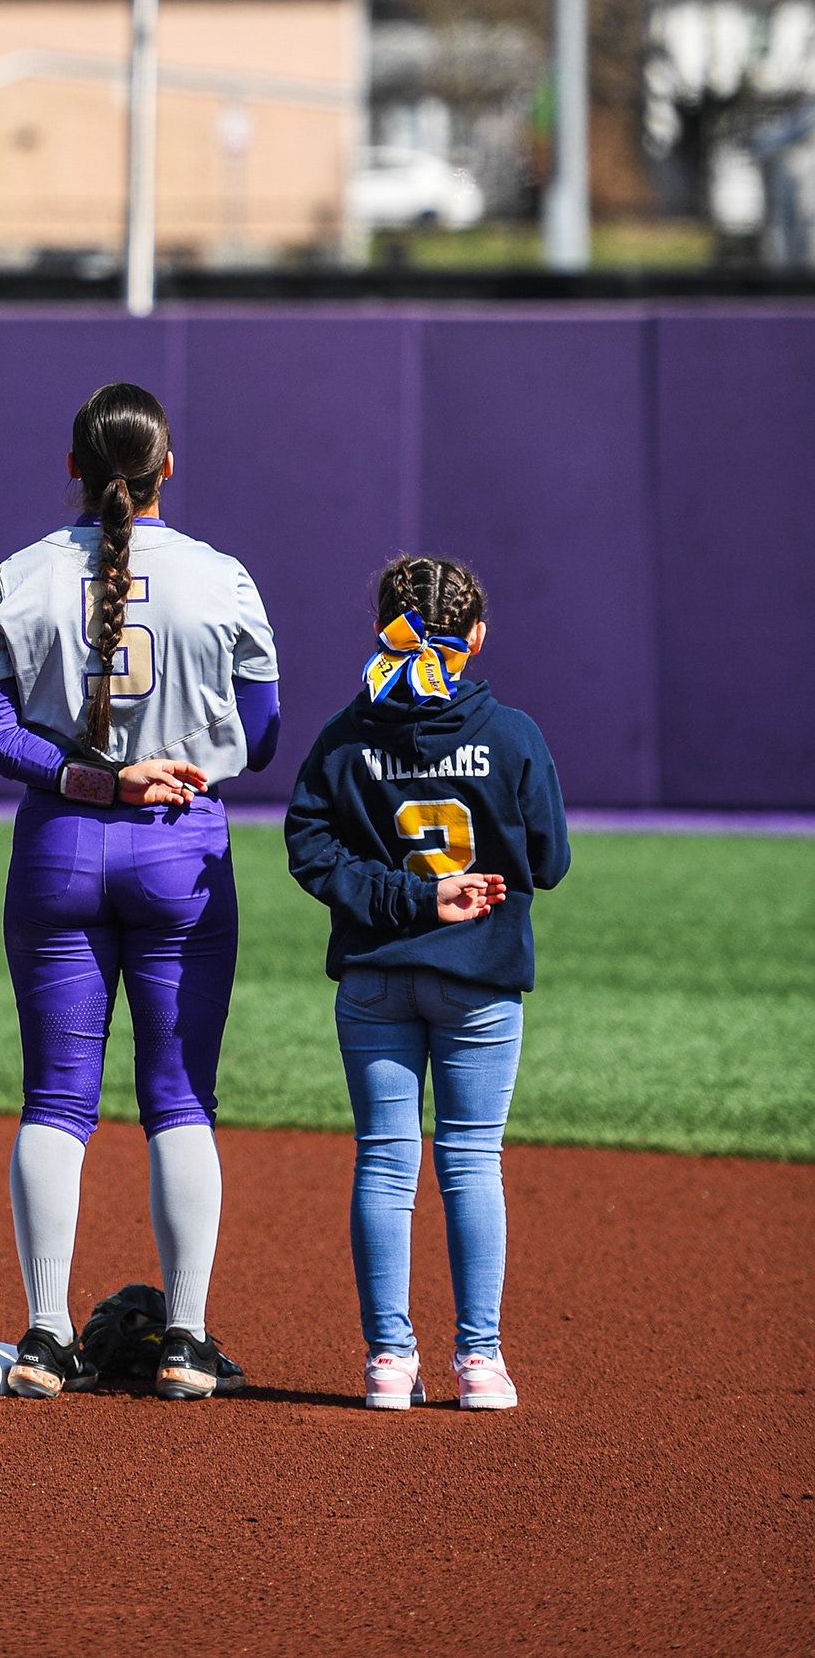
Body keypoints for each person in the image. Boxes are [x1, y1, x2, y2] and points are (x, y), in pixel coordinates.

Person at [0, 379, 281, 1402]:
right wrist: (176, 756)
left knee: (57, 1100)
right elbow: (263, 733)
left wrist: (94, 775)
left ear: (73, 467)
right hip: (180, 844)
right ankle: (184, 1339)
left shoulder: (17, 574)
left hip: (61, 843)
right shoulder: (222, 576)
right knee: (181, 1100)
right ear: (166, 468)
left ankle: (45, 1336)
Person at [284, 554, 570, 1413]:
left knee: (384, 1161)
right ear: (476, 635)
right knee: (472, 1161)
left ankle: (388, 1360)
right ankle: (479, 1361)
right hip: (478, 977)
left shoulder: (345, 733)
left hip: (375, 977)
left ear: (384, 630)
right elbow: (550, 861)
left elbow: (309, 848)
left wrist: (404, 896)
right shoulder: (512, 733)